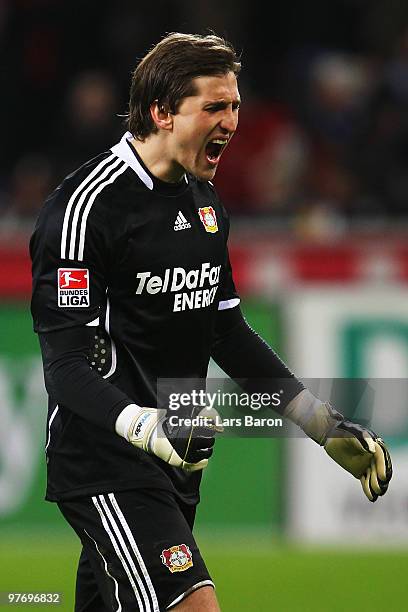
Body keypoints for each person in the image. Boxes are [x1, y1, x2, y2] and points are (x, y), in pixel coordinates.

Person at [30, 33, 392, 612]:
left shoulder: (204, 204)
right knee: (195, 605)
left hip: (179, 463)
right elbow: (67, 368)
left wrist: (322, 425)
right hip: (107, 461)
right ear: (162, 112)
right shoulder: (88, 209)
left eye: (236, 105)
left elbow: (227, 332)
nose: (232, 122)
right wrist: (146, 426)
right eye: (215, 107)